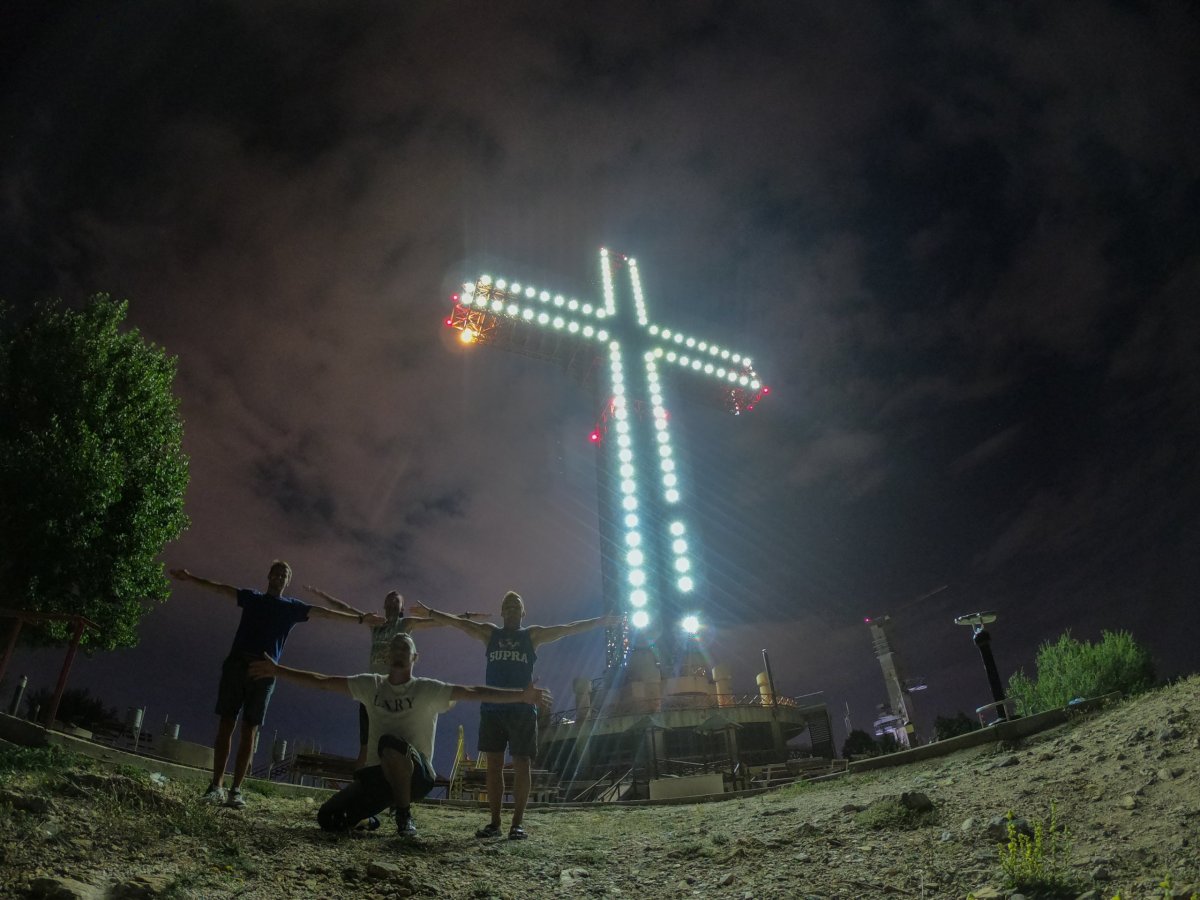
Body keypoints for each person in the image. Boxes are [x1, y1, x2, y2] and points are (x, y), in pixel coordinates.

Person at [247, 632, 551, 837]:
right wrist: (279, 671)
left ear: (414, 657)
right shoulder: (371, 685)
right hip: (379, 778)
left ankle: (404, 815)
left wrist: (519, 696)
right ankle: (370, 818)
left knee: (389, 745)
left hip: (417, 774)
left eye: (404, 648)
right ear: (386, 655)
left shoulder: (426, 689)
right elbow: (324, 681)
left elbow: (473, 691)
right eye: (394, 647)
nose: (398, 652)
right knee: (328, 819)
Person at [170, 561, 383, 810]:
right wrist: (191, 577)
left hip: (265, 670)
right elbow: (221, 588)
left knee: (250, 729)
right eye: (277, 572)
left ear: (287, 581)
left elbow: (324, 613)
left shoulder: (292, 608)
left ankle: (235, 790)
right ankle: (215, 786)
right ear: (269, 575)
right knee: (226, 723)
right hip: (237, 664)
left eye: (285, 574)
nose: (280, 576)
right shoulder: (253, 598)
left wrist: (360, 619)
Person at [417, 591, 619, 839]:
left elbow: (567, 628)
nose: (512, 610)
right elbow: (460, 623)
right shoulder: (490, 634)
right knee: (493, 766)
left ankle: (517, 824)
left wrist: (599, 622)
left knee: (522, 764)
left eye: (516, 606)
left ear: (523, 613)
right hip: (493, 708)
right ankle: (494, 823)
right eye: (508, 606)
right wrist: (430, 613)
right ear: (502, 612)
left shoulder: (531, 636)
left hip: (523, 709)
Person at [303, 585, 490, 768]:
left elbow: (437, 622)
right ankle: (363, 786)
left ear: (401, 608)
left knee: (397, 742)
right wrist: (325, 597)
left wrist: (466, 617)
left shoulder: (405, 624)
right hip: (373, 690)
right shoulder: (375, 624)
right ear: (384, 606)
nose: (392, 601)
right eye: (389, 599)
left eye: (396, 600)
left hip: (397, 690)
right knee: (366, 747)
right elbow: (347, 610)